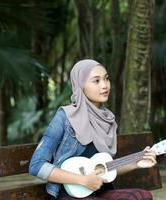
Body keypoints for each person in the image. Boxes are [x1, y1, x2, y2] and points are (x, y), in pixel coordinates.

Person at [29, 59, 157, 200]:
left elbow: (103, 168)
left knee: (142, 196)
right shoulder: (64, 117)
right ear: (80, 85)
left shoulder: (107, 119)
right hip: (69, 195)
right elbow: (36, 165)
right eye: (96, 81)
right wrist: (83, 180)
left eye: (106, 79)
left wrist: (136, 163)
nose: (104, 85)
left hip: (100, 193)